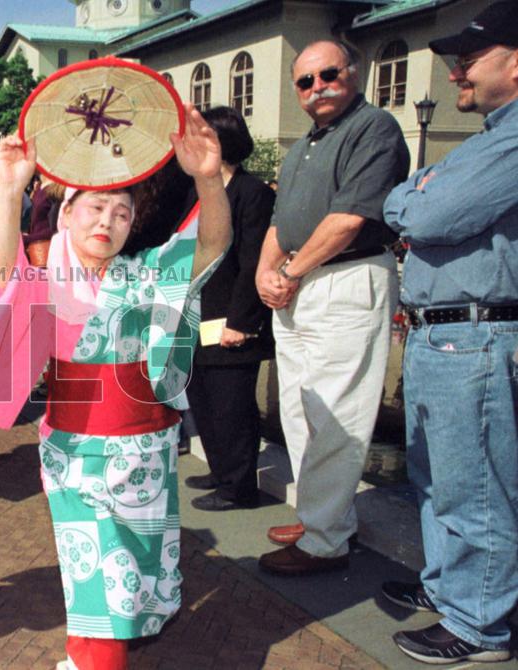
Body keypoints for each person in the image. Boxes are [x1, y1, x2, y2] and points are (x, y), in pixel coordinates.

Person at [0, 102, 231, 670]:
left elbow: (211, 245)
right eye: (95, 207)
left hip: (148, 449)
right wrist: (11, 192)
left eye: (121, 212)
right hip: (76, 452)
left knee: (135, 569)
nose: (107, 222)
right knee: (98, 570)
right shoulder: (46, 280)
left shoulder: (146, 275)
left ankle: (83, 651)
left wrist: (208, 178)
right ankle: (95, 659)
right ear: (66, 214)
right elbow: (0, 276)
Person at [380, 2, 518, 663]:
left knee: (476, 488)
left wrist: (420, 199)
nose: (455, 70)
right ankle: (449, 590)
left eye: (471, 57)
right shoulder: (489, 139)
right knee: (435, 480)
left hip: (478, 335)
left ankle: (478, 627)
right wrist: (418, 199)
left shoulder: (513, 140)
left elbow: (429, 214)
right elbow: (404, 201)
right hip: (444, 336)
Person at [255, 40, 409, 575]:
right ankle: (321, 515)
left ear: (353, 72)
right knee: (299, 410)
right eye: (304, 81)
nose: (317, 86)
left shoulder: (375, 128)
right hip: (301, 282)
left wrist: (289, 273)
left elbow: (350, 221)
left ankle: (325, 542)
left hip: (345, 277)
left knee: (337, 412)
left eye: (327, 74)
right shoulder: (303, 147)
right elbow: (280, 222)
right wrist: (263, 272)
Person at [183, 106, 275, 512]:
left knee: (232, 407)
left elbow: (253, 261)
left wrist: (241, 322)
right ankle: (221, 472)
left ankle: (239, 488)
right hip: (196, 317)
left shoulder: (252, 192)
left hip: (232, 320)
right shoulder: (197, 192)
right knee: (204, 402)